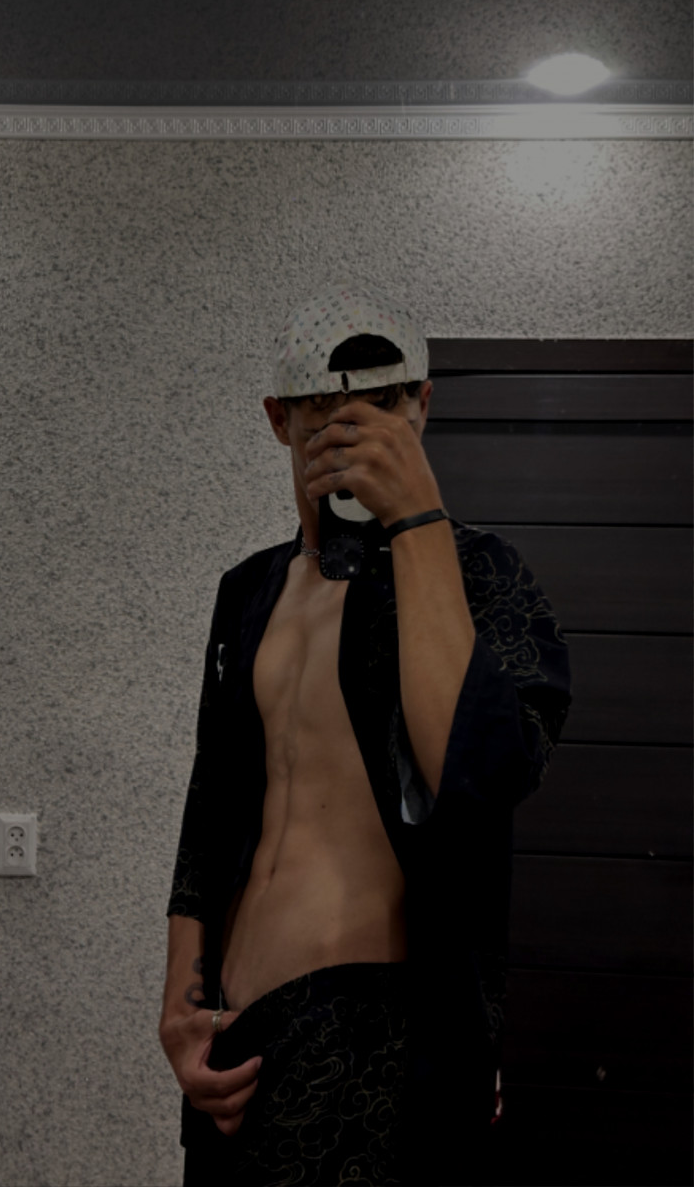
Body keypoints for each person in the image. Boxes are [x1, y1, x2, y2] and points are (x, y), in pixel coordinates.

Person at [159, 281, 571, 1186]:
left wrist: (416, 521)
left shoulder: (482, 574)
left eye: (383, 406)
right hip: (235, 1040)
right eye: (324, 410)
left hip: (374, 1039)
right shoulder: (248, 591)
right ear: (279, 420)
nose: (355, 433)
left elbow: (478, 774)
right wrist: (182, 1007)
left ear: (422, 405)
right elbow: (211, 803)